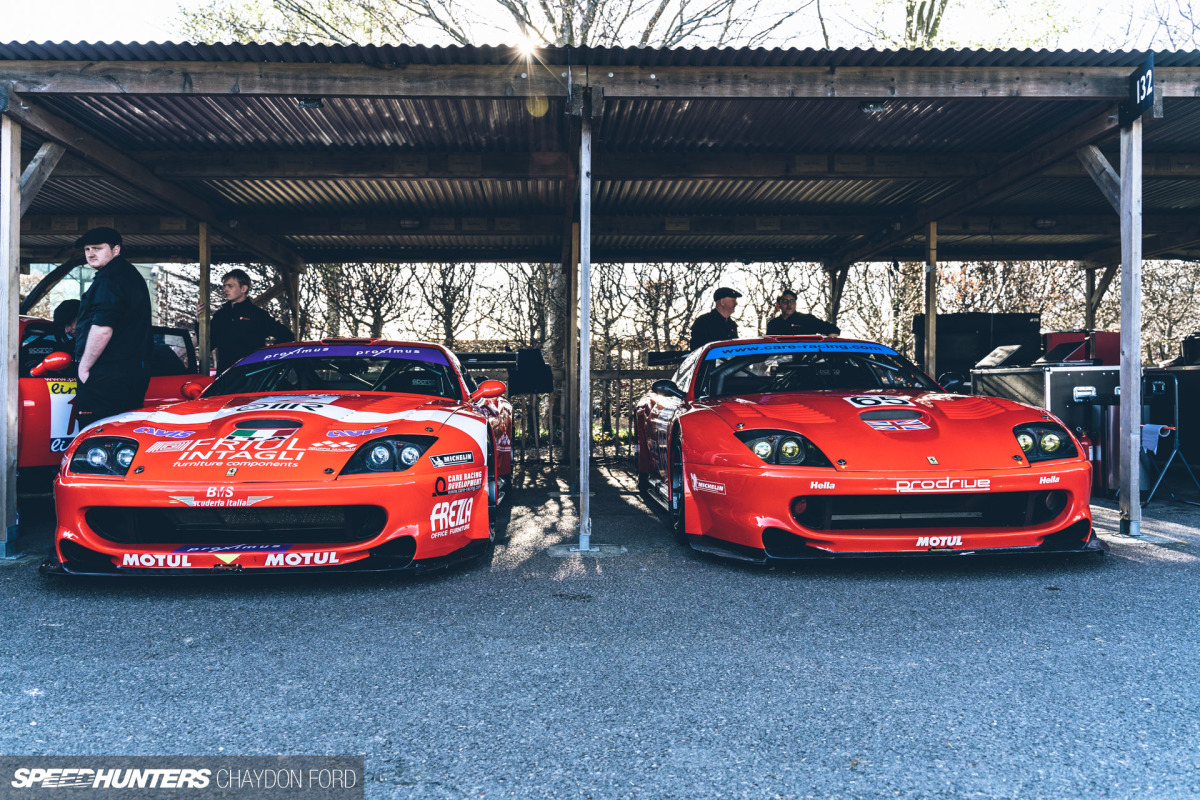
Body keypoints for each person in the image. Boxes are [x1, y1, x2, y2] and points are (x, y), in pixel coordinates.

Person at [72, 227, 153, 427]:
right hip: (132, 370)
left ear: (116, 250)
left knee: (96, 436)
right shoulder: (130, 274)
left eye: (97, 248)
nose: (90, 253)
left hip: (107, 374)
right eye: (87, 249)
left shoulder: (109, 279)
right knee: (123, 434)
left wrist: (84, 367)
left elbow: (102, 328)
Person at [200, 269, 295, 373]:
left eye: (230, 286)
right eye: (224, 286)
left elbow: (286, 335)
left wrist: (269, 360)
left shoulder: (257, 315)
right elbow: (208, 344)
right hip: (224, 378)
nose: (225, 290)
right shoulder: (220, 315)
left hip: (251, 378)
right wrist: (199, 322)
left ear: (244, 288)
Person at [765, 290, 840, 336]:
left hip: (807, 360)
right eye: (785, 301)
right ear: (778, 305)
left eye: (792, 301)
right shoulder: (773, 324)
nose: (789, 304)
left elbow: (833, 329)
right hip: (781, 360)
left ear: (795, 304)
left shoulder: (808, 320)